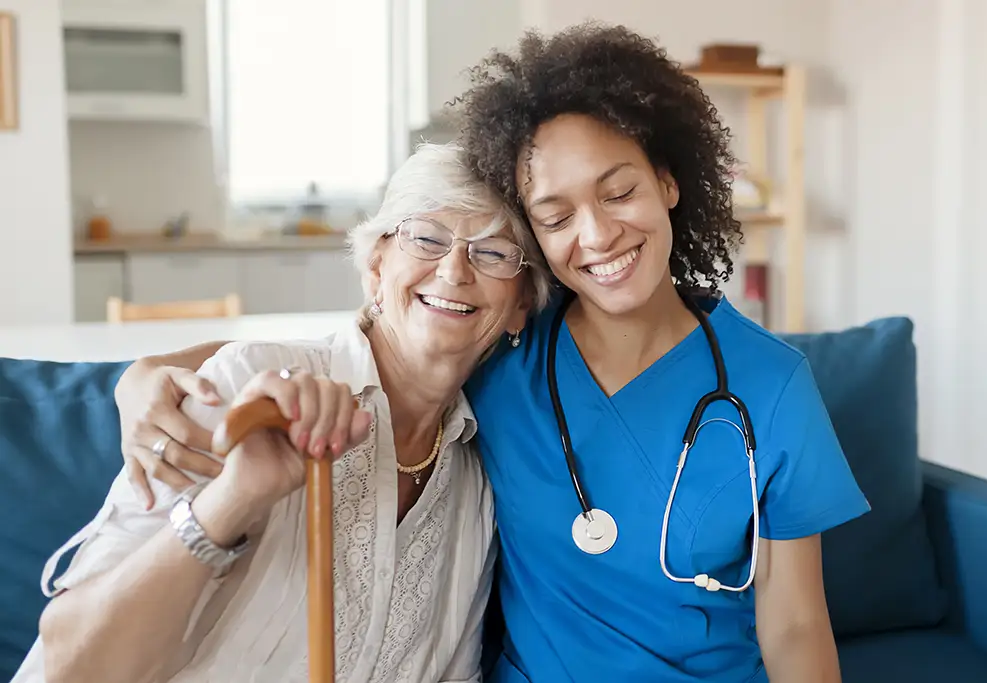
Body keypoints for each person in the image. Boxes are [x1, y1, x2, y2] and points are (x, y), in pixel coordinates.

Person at [106, 23, 870, 683]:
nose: (598, 235)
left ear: (669, 181)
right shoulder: (506, 352)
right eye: (556, 213)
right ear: (536, 238)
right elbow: (359, 341)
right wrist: (143, 374)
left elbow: (797, 627)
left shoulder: (772, 387)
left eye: (619, 191)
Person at [12, 141, 545, 683]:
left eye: (494, 251)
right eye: (427, 238)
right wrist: (235, 498)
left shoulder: (476, 481)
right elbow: (70, 666)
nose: (454, 270)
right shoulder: (247, 386)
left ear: (522, 303)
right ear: (376, 266)